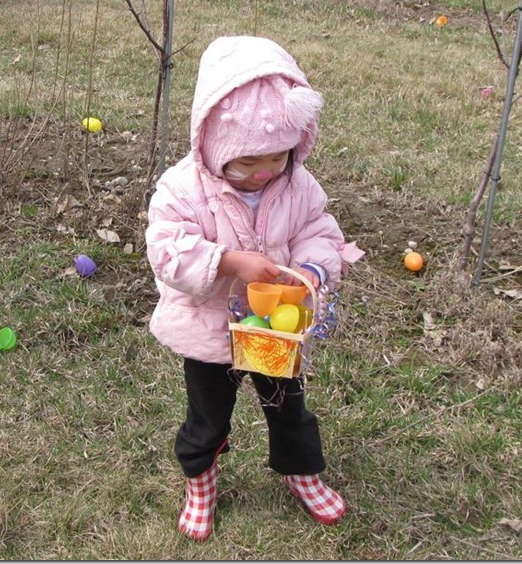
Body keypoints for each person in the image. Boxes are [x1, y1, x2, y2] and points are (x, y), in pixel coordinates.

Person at [145, 35, 363, 541]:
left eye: (277, 158)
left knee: (289, 408)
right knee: (207, 418)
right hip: (209, 331)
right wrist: (227, 261)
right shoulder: (182, 190)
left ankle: (301, 472)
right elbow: (167, 250)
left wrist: (312, 268)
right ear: (215, 145)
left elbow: (319, 230)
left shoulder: (297, 184)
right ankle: (201, 480)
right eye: (247, 162)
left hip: (274, 330)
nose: (264, 172)